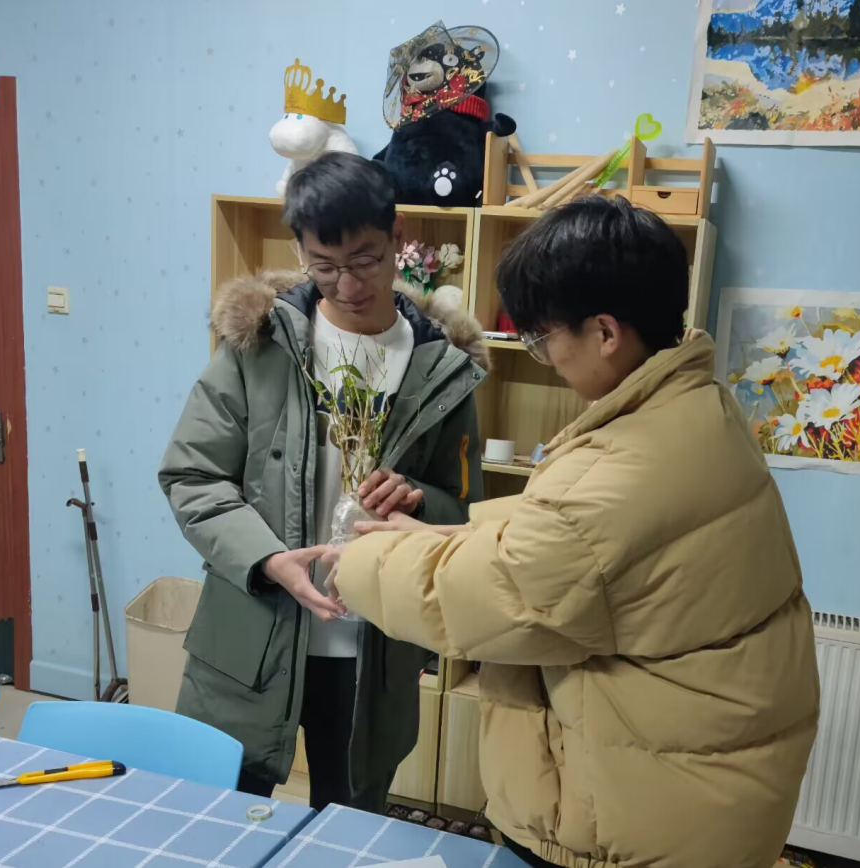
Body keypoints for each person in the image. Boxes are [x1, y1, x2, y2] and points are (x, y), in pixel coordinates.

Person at [324, 195, 819, 867]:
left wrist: (356, 558)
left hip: (639, 815)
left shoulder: (622, 469)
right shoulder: (698, 405)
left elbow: (498, 593)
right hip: (701, 781)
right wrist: (430, 538)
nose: (546, 357)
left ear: (605, 332)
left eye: (543, 337)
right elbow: (574, 550)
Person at [158, 151, 487, 812]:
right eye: (324, 265)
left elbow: (463, 509)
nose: (347, 285)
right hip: (252, 635)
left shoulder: (441, 366)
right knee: (217, 819)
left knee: (348, 829)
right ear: (300, 252)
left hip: (374, 650)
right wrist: (269, 559)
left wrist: (419, 501)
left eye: (365, 260)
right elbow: (192, 476)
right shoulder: (259, 345)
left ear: (397, 238)